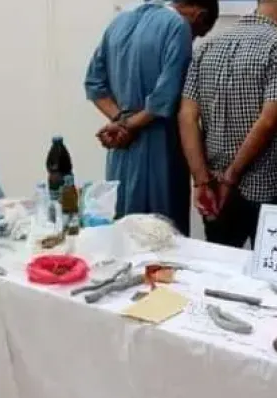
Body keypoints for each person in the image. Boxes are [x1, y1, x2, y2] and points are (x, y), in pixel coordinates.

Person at [84, 0, 219, 236]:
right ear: (199, 16)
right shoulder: (178, 27)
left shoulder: (119, 22)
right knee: (164, 236)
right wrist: (128, 125)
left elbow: (94, 85)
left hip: (121, 149)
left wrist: (120, 122)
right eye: (199, 34)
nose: (193, 39)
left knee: (125, 233)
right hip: (160, 149)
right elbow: (165, 97)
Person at [179, 0, 277, 248]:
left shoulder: (208, 45)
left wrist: (201, 180)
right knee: (273, 267)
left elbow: (186, 116)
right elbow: (268, 120)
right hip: (270, 183)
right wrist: (231, 177)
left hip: (215, 188)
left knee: (221, 266)